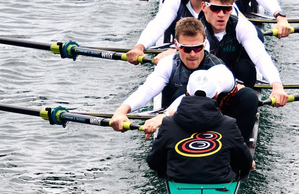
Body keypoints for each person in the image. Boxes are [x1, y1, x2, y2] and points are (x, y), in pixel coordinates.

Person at [109, 18, 260, 142]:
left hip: (217, 120)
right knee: (179, 90)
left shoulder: (219, 69)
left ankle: (239, 147)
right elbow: (148, 89)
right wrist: (122, 111)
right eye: (186, 49)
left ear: (205, 43)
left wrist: (165, 115)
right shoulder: (168, 64)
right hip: (183, 121)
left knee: (249, 96)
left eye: (198, 48)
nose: (192, 54)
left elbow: (194, 95)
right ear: (176, 45)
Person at [146, 69, 254, 184]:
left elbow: (154, 163)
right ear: (216, 95)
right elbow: (244, 163)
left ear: (187, 93)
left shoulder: (168, 123)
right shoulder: (229, 124)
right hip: (220, 181)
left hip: (177, 180)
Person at [199, 0, 288, 106]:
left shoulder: (241, 26)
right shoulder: (197, 30)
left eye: (226, 9)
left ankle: (243, 105)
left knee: (246, 68)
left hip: (237, 83)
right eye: (215, 8)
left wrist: (277, 85)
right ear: (204, 7)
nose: (221, 14)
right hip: (206, 82)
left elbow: (260, 57)